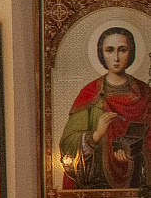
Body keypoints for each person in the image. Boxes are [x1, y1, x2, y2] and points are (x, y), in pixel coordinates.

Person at [60, 25, 151, 189]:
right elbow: (67, 143)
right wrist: (96, 135)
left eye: (122, 50)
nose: (116, 57)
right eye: (110, 50)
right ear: (101, 54)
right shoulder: (90, 94)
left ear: (131, 53)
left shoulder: (145, 93)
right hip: (97, 183)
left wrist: (135, 154)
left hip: (139, 183)